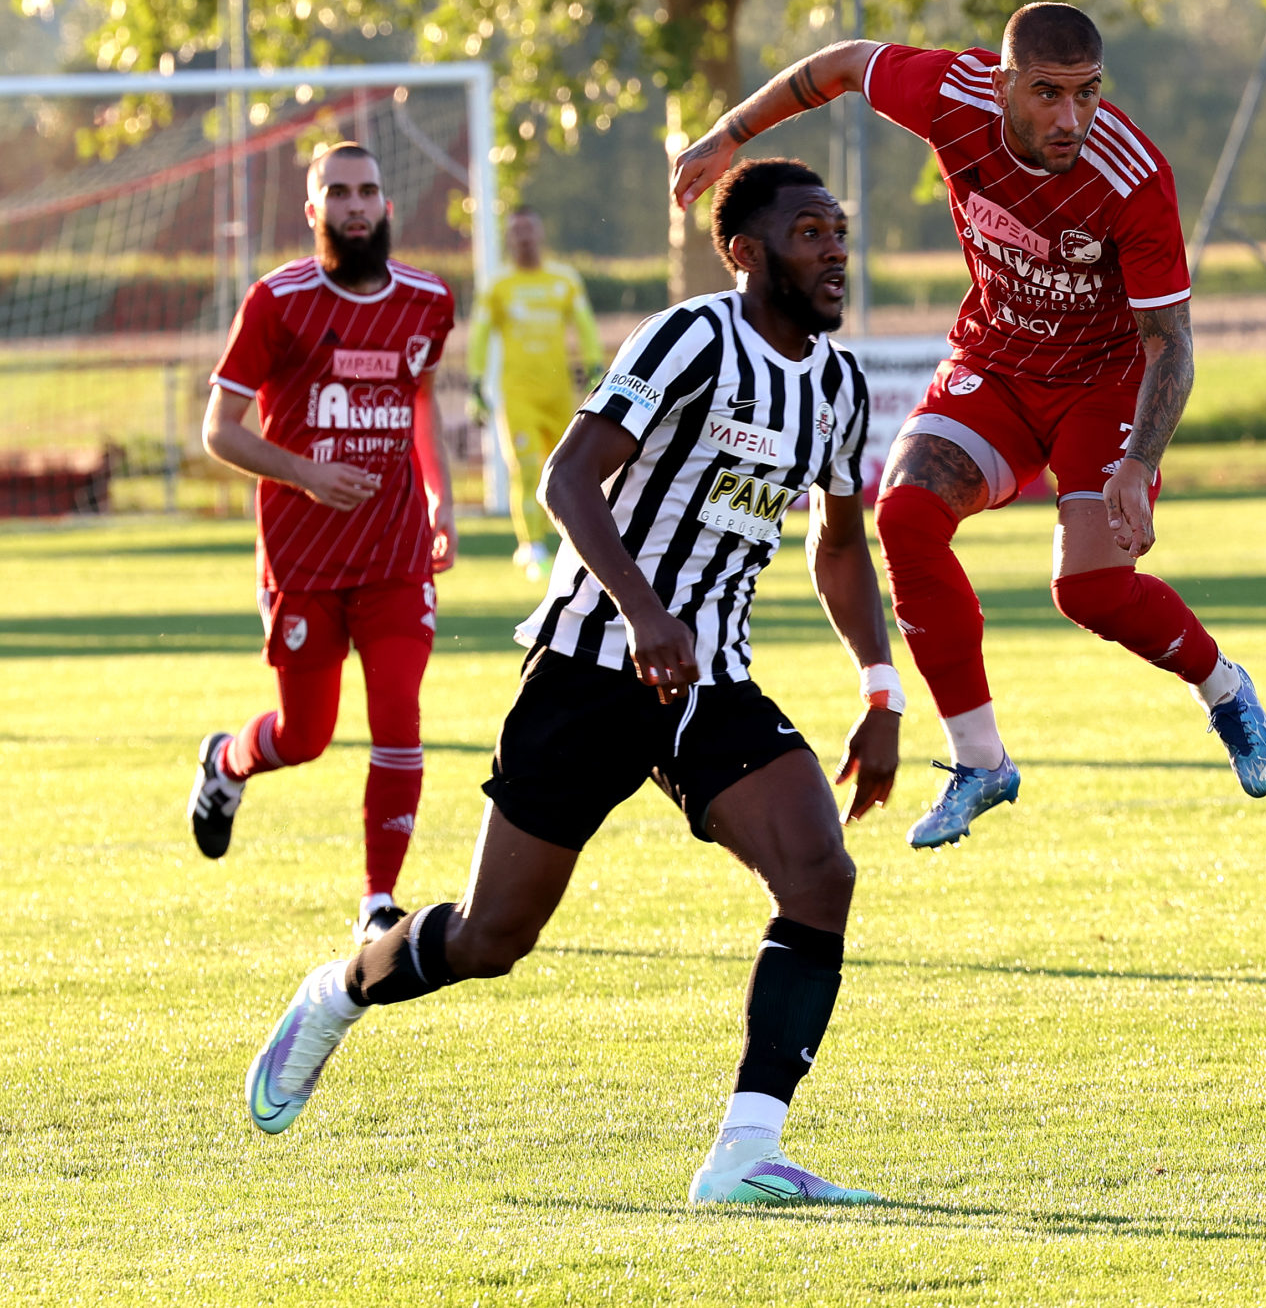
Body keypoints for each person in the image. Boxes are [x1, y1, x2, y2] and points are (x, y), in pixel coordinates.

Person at [241, 158, 906, 1207]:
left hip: (707, 678)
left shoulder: (837, 382)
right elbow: (566, 476)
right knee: (490, 936)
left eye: (840, 230)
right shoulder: (693, 337)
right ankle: (342, 986)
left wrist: (880, 690)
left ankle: (744, 1153)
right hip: (592, 664)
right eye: (811, 231)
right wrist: (644, 610)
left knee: (820, 873)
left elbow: (837, 543)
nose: (834, 250)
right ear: (745, 250)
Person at [670, 1, 1266, 850]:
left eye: (1088, 93)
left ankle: (1223, 690)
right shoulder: (952, 97)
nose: (1071, 118)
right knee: (907, 517)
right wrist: (728, 134)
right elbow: (846, 62)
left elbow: (1169, 340)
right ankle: (980, 761)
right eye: (1047, 94)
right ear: (1001, 86)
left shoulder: (1132, 176)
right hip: (994, 365)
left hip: (1103, 385)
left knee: (1089, 591)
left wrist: (1139, 463)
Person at [187, 141, 456, 946]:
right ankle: (227, 762)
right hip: (302, 558)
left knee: (400, 718)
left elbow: (420, 403)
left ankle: (378, 900)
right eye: (337, 193)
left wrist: (440, 495)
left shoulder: (429, 300)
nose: (355, 206)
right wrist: (306, 473)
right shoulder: (276, 301)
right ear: (313, 212)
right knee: (305, 738)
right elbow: (217, 433)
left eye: (368, 191)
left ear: (387, 206)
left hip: (397, 555)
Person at [468, 207, 604, 581]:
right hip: (518, 396)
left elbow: (586, 326)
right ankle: (532, 546)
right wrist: (477, 382)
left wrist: (595, 369)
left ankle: (575, 544)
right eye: (517, 231)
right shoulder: (497, 286)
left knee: (571, 470)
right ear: (508, 239)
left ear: (541, 234)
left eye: (529, 229)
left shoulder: (564, 280)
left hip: (558, 394)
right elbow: (479, 336)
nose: (524, 237)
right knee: (526, 469)